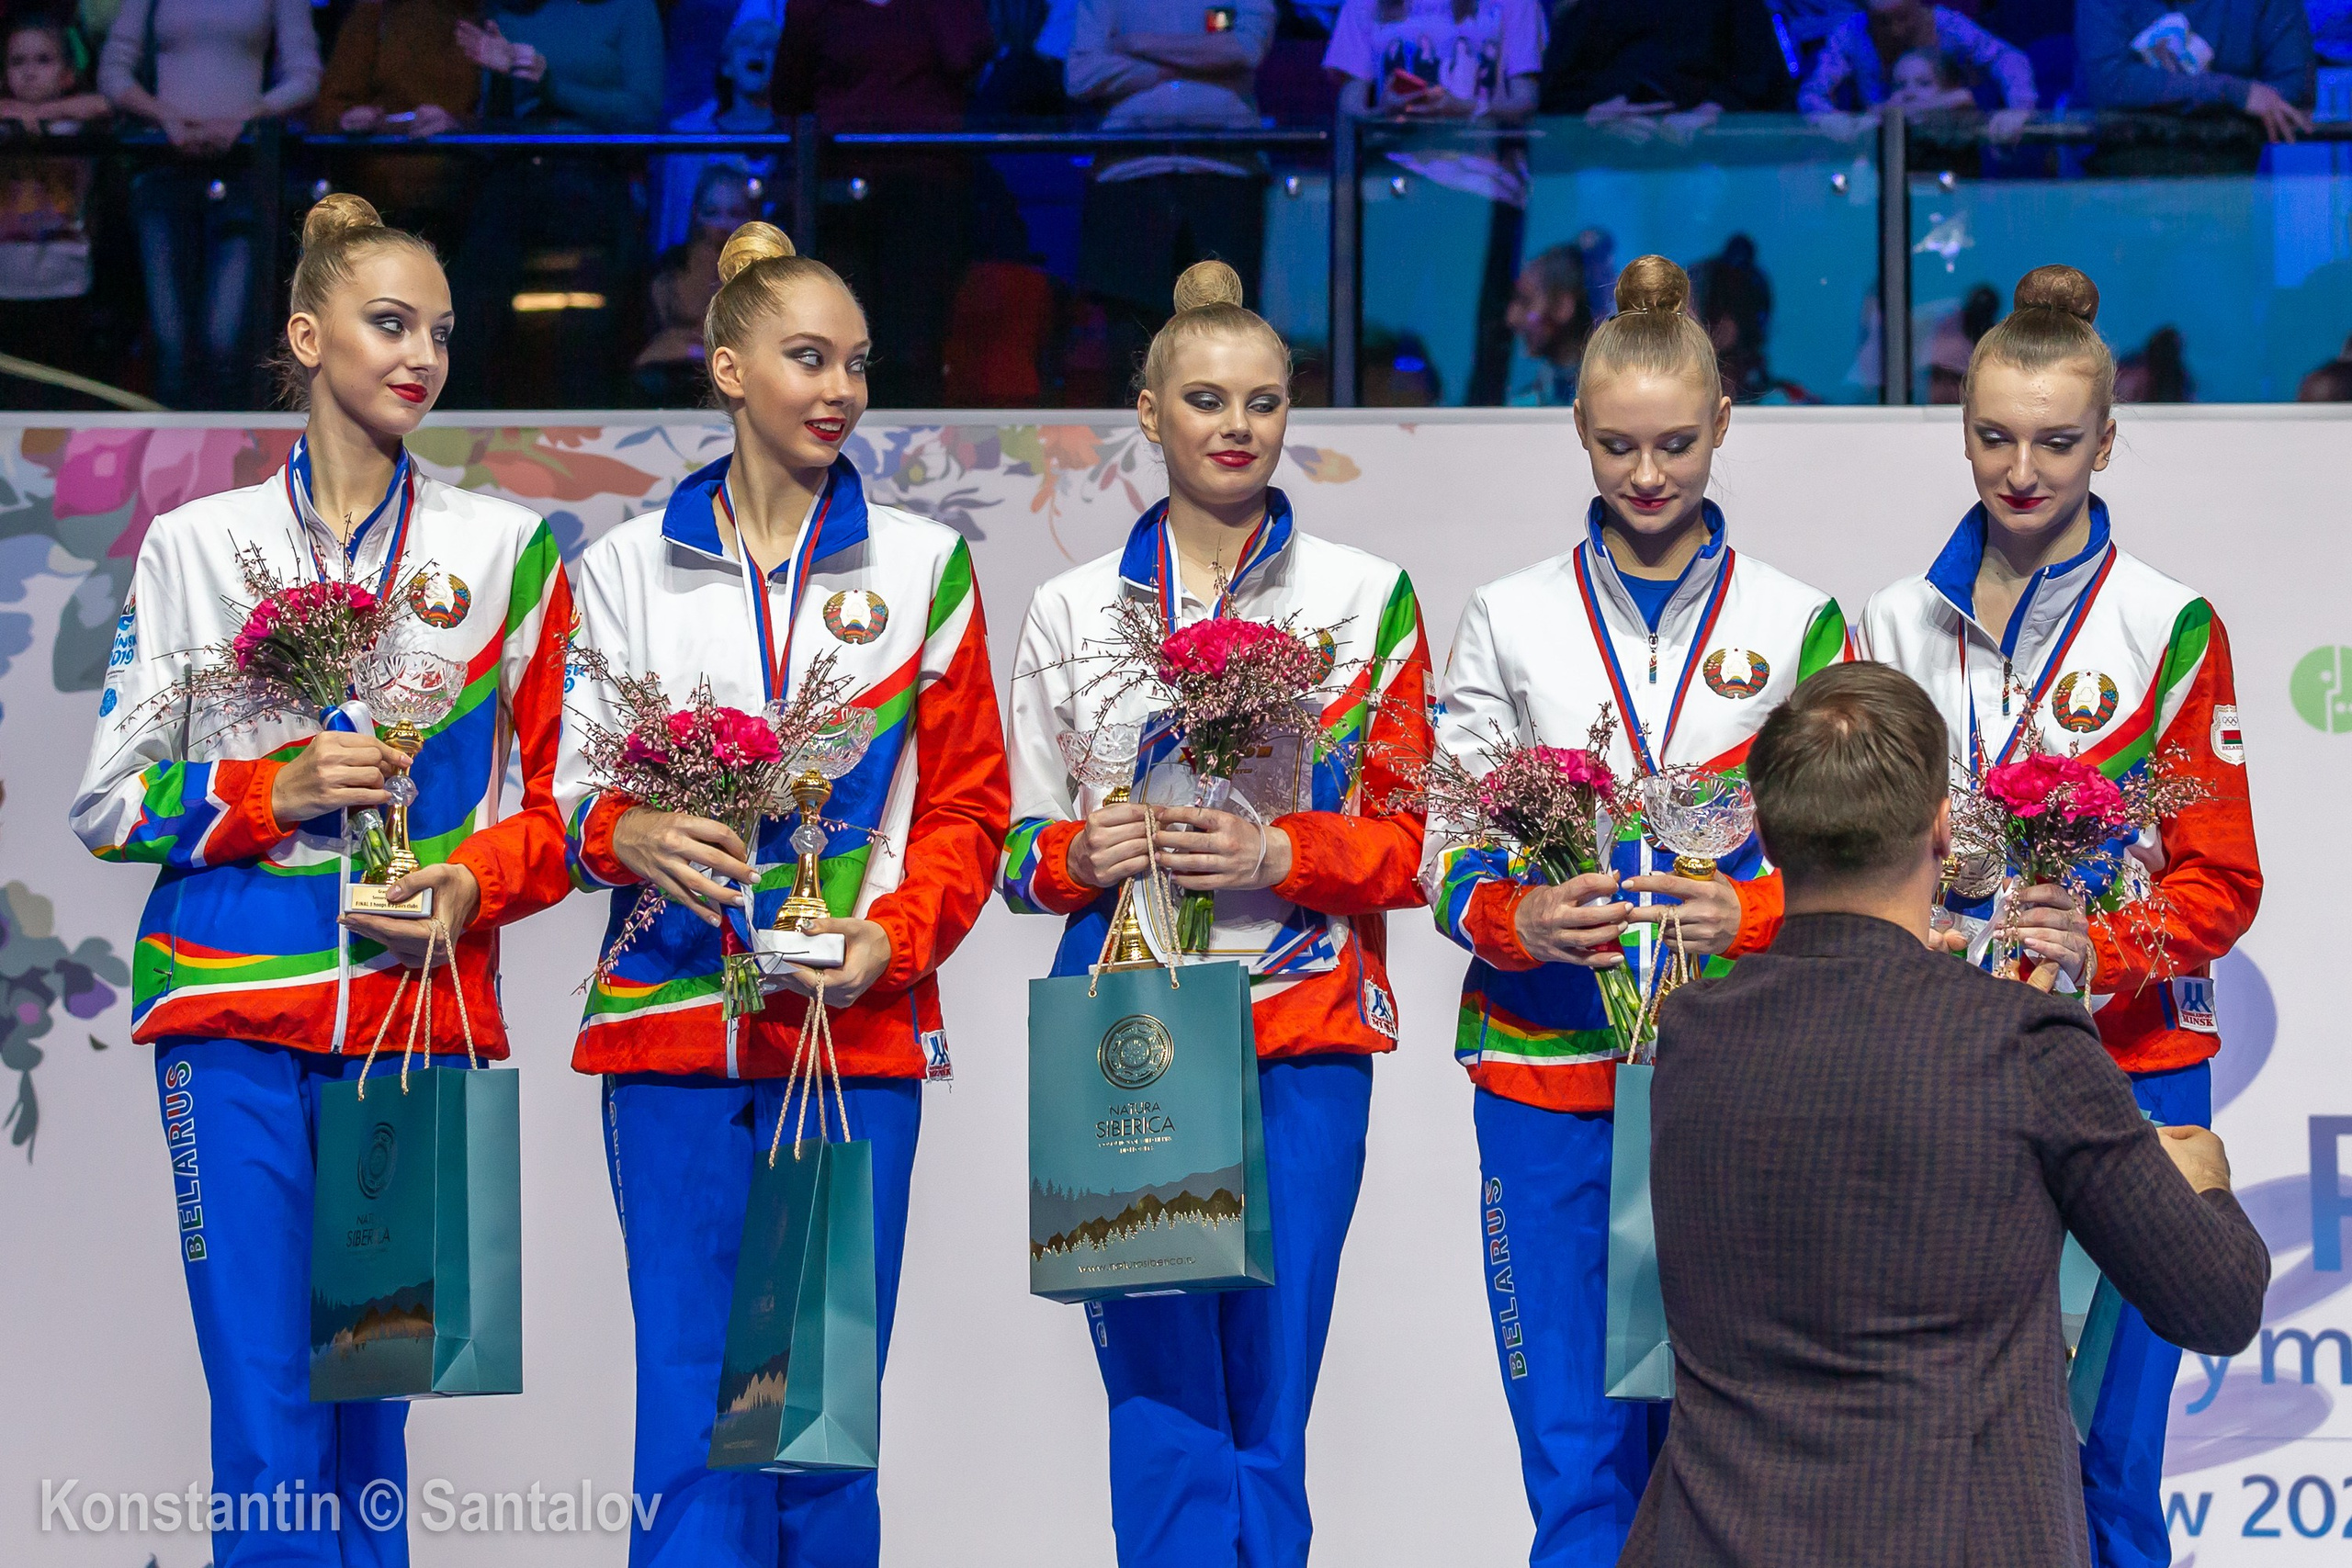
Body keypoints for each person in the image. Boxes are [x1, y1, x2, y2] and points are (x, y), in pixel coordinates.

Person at [70, 193, 576, 1568]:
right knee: (269, 1409)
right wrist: (263, 792)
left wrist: (468, 884)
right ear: (306, 334)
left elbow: (564, 811)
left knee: (374, 1418)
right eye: (389, 322)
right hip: (231, 1004)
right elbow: (108, 798)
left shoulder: (503, 550)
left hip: (416, 1016)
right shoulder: (196, 547)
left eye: (442, 332)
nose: (421, 354)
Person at [1731, 265, 2265, 1568]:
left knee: (2113, 1465)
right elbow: (1849, 851)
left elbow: (2224, 879)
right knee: (1966, 1448)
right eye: (1993, 436)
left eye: (2057, 441)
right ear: (1960, 424)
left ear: (2109, 436)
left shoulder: (2169, 624)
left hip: (2132, 1072)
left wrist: (2109, 943)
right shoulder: (1890, 622)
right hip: (1944, 1073)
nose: (2021, 469)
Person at [558, 220, 1010, 1568]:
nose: (840, 390)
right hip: (669, 1027)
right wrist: (628, 827)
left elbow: (972, 806)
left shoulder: (923, 565)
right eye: (808, 358)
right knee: (693, 1411)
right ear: (728, 369)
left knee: (816, 1425)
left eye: (858, 364)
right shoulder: (622, 570)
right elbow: (566, 790)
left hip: (848, 1034)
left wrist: (892, 939)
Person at [1621, 660, 2270, 1568]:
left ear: (1762, 833)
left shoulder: (1688, 1037)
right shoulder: (2021, 1043)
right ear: (1939, 829)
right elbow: (2216, 1302)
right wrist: (2202, 1186)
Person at [1001, 260, 1434, 1568]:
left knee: (1271, 1393)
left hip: (1303, 1029)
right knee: (1160, 1396)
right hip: (1127, 1032)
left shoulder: (1368, 599)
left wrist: (1276, 845)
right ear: (1148, 413)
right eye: (1203, 399)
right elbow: (1012, 852)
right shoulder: (1073, 609)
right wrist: (1084, 849)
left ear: (1292, 411)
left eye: (1261, 399)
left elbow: (1411, 844)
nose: (1234, 426)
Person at [1428, 255, 1848, 1568]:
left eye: (1675, 443)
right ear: (1576, 428)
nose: (1647, 473)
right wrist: (1518, 917)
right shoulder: (1507, 616)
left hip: (1736, 1078)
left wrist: (1756, 908)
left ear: (1725, 424)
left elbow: (1853, 856)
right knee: (1573, 1458)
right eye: (1617, 445)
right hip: (1547, 1072)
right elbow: (1442, 844)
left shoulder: (1796, 620)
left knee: (1726, 1451)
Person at [770, 0, 996, 408]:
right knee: (840, 339)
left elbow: (966, 53)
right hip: (840, 192)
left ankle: (909, 457)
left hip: (926, 191)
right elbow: (789, 93)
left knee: (914, 343)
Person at [99, 0, 322, 409]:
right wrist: (162, 114)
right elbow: (113, 71)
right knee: (170, 341)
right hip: (163, 169)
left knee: (226, 339)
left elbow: (305, 73)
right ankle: (169, 464)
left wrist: (248, 114)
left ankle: (228, 463)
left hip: (242, 172)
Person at [1325, 0, 1548, 403]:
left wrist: (1467, 110)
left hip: (1482, 189)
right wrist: (1384, 108)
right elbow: (1350, 103)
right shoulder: (1366, 5)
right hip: (1394, 189)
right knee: (1386, 327)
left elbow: (1526, 100)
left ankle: (1477, 438)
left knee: (1473, 332)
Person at [445, 0, 665, 405]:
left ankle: (588, 447)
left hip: (591, 180)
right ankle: (470, 449)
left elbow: (643, 112)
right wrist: (470, 111)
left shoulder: (629, 9)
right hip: (512, 180)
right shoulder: (507, 12)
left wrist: (552, 82)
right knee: (472, 318)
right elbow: (497, 119)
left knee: (581, 333)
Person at [1066, 0, 1276, 394]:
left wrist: (1134, 43)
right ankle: (1132, 445)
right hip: (1129, 178)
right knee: (1133, 338)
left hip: (1225, 178)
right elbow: (1079, 75)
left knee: (1225, 335)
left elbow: (1246, 48)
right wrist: (1196, 60)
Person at [0, 14, 109, 404]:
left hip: (65, 279)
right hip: (7, 282)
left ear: (66, 73)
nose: (30, 72)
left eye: (43, 61)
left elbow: (103, 104)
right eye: (18, 62)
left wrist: (38, 115)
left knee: (58, 398)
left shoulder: (76, 125)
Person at [2078, 0, 2316, 142]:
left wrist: (2157, 92)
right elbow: (2110, 83)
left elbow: (2293, 91)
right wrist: (2233, 93)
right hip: (2117, 189)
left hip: (2225, 188)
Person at [1798, 0, 2037, 138]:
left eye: (1902, 19)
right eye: (1882, 22)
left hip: (1948, 143)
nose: (1895, 31)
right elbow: (1812, 94)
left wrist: (2019, 108)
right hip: (1881, 144)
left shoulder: (1947, 25)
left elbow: (2008, 59)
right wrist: (1841, 126)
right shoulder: (1850, 35)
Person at [653, 12, 778, 254]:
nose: (758, 50)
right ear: (727, 65)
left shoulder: (795, 138)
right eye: (746, 43)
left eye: (769, 45)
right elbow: (676, 224)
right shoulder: (690, 139)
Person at [633, 162, 757, 405]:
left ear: (752, 216)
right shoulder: (670, 268)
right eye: (713, 212)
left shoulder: (770, 274)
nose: (722, 224)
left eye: (734, 213)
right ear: (696, 214)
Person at [1539, 0, 1795, 117]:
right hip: (1606, 156)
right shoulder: (1592, 7)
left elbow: (1766, 84)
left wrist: (1711, 112)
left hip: (1705, 155)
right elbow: (1557, 93)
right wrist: (1596, 113)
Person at [1504, 242, 1593, 407]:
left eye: (1525, 301)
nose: (1511, 318)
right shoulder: (1527, 402)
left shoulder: (1602, 401)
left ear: (1562, 306)